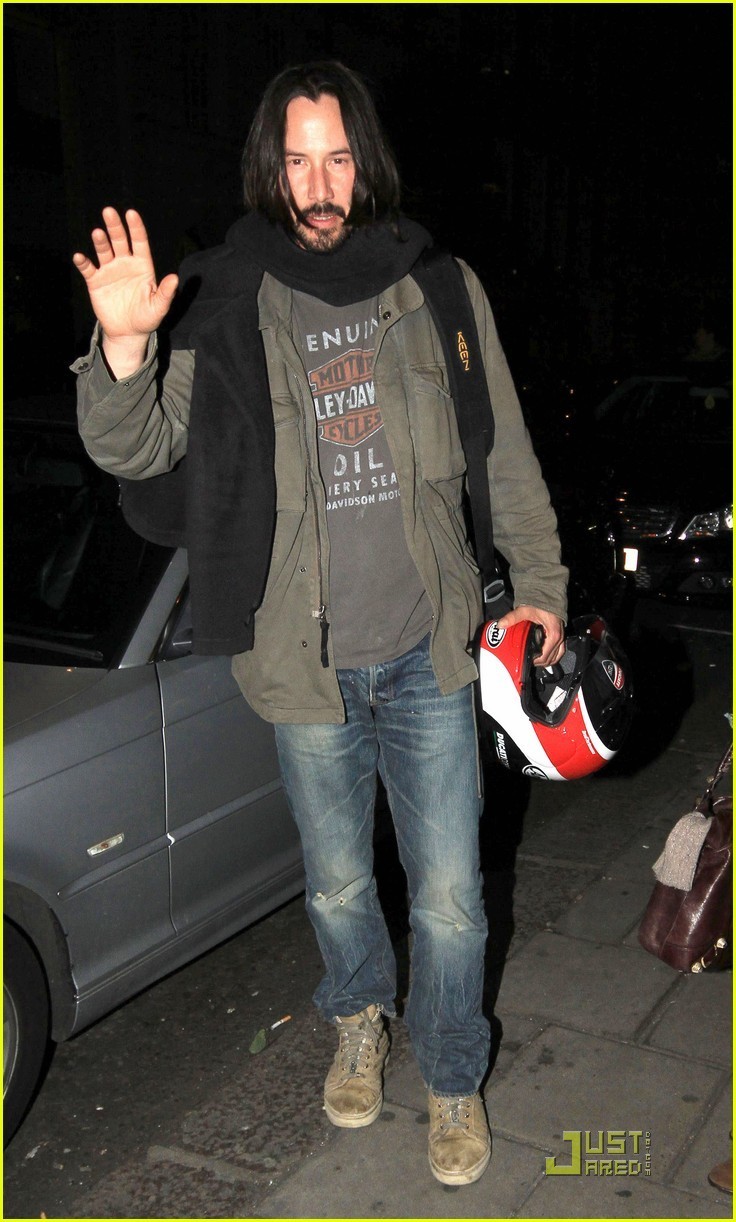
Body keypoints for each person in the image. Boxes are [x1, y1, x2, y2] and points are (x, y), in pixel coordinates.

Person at [72, 61, 567, 1187]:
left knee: (451, 899)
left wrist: (540, 580)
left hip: (430, 651)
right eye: (296, 161)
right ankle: (358, 1018)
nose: (319, 183)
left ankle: (452, 1072)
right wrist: (127, 350)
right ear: (269, 169)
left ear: (367, 163)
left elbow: (502, 452)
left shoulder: (437, 287)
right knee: (339, 884)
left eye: (337, 157)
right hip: (303, 663)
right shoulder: (227, 297)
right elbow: (135, 446)